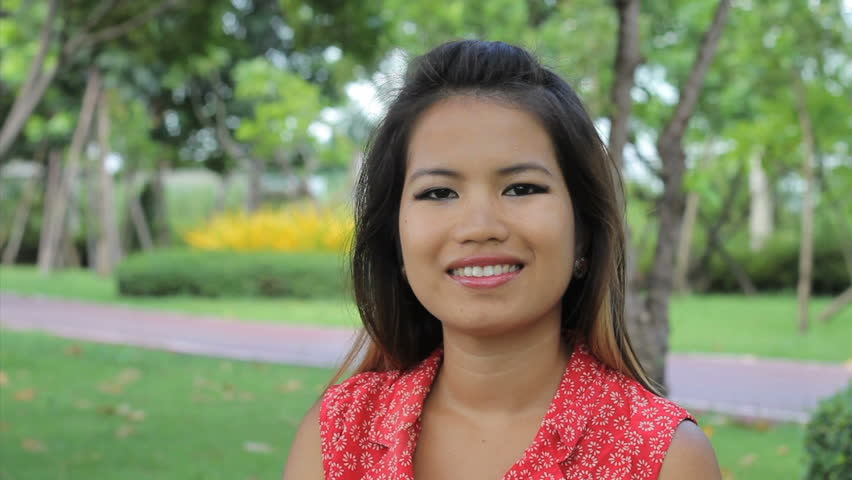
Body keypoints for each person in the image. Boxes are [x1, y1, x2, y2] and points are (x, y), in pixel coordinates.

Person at [283, 40, 721, 480]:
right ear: (395, 241)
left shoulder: (660, 455)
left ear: (583, 232)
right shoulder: (338, 434)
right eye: (439, 193)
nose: (479, 225)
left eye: (521, 188)